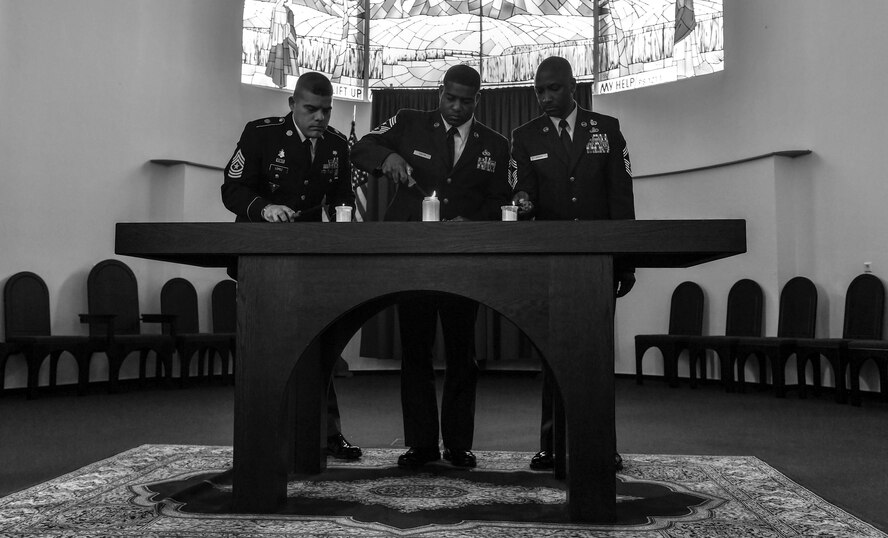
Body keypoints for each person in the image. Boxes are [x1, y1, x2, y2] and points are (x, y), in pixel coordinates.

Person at [351, 64, 511, 468]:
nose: (456, 107)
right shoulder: (408, 123)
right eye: (450, 98)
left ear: (479, 99)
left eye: (466, 100)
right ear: (439, 93)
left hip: (463, 261)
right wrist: (387, 156)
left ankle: (458, 444)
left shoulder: (494, 143)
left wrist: (473, 224)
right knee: (416, 350)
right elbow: (362, 146)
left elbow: (501, 201)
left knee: (462, 352)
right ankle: (421, 444)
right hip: (414, 259)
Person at [221, 71, 361, 460]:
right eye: (311, 109)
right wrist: (265, 209)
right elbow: (232, 189)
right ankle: (263, 440)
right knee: (265, 353)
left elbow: (343, 198)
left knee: (319, 349)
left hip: (313, 263)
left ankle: (327, 434)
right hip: (263, 262)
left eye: (326, 110)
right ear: (292, 105)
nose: (320, 117)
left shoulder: (336, 145)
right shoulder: (261, 134)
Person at [510, 56, 635, 471]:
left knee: (598, 355)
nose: (545, 97)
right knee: (552, 356)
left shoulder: (607, 128)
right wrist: (522, 205)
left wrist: (626, 262)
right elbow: (521, 192)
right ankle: (550, 444)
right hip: (551, 263)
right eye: (539, 91)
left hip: (599, 262)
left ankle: (603, 444)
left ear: (573, 86)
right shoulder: (525, 136)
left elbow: (621, 197)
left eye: (553, 89)